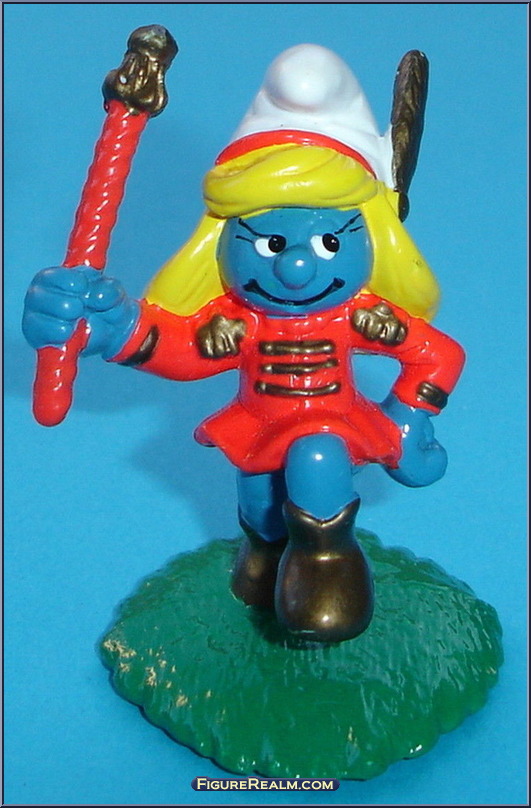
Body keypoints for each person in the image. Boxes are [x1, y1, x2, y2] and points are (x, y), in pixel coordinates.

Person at [23, 45, 465, 643]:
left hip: (333, 423)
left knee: (316, 459)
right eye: (268, 243)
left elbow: (438, 354)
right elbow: (179, 350)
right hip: (257, 424)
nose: (295, 268)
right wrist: (111, 327)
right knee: (259, 501)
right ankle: (264, 559)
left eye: (330, 243)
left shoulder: (364, 317)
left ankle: (328, 560)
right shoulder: (237, 321)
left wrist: (409, 418)